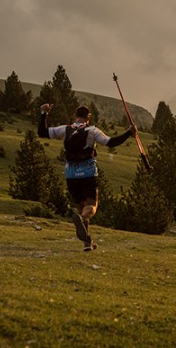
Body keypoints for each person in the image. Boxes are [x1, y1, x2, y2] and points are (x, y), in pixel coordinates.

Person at [38, 103, 136, 251]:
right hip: (87, 172)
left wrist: (43, 113)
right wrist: (129, 132)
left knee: (81, 207)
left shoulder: (65, 129)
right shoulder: (92, 130)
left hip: (70, 174)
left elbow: (42, 132)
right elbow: (110, 143)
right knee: (91, 206)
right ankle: (82, 220)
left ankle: (87, 242)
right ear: (88, 117)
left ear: (75, 115)